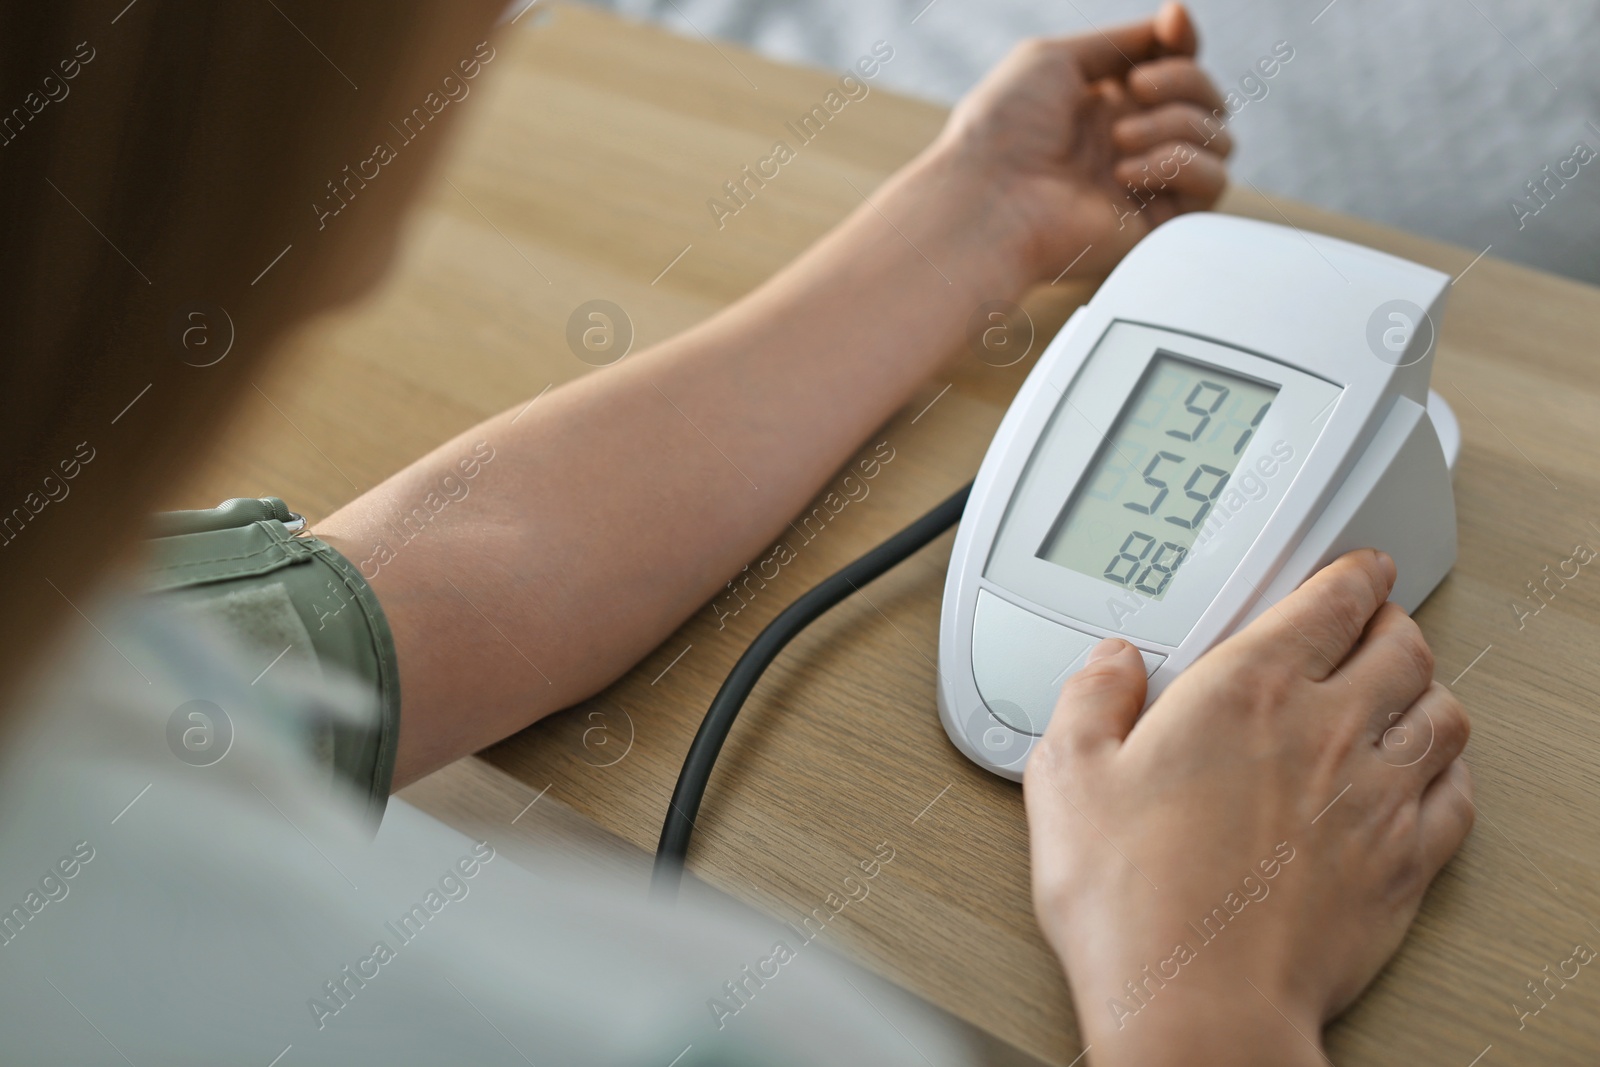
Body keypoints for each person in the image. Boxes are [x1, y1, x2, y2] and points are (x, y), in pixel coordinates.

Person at [0, 2, 1470, 1064]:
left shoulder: (70, 638)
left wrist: (978, 218)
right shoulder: (633, 1024)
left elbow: (442, 579)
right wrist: (1208, 1006)